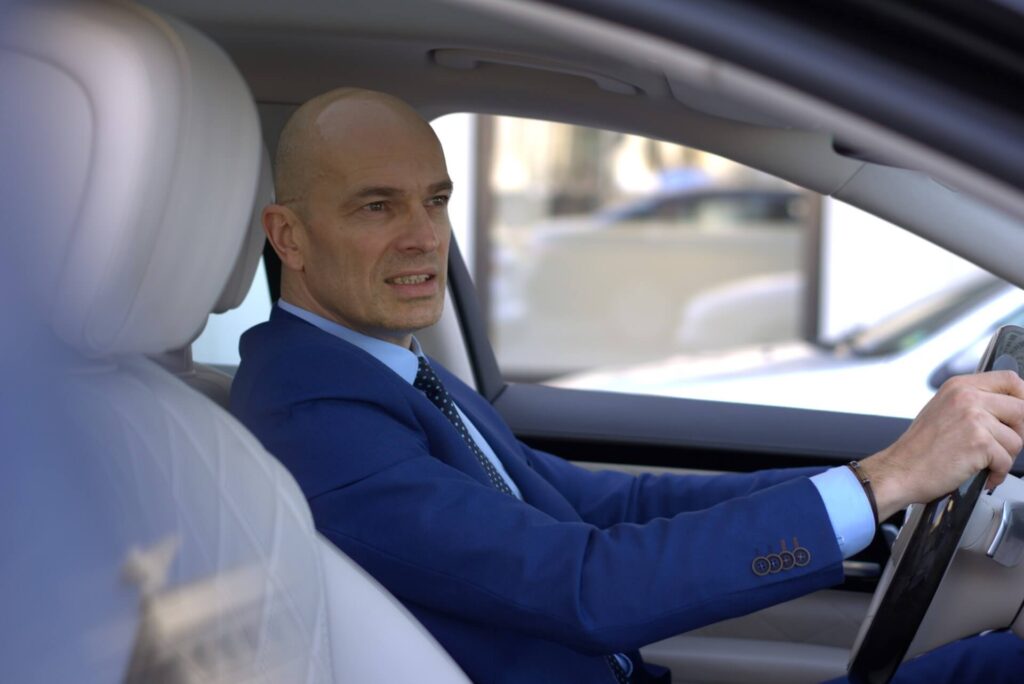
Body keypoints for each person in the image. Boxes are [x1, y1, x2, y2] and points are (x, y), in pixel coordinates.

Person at [230, 87, 1024, 683]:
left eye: (435, 201)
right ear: (288, 237)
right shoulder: (311, 412)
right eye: (377, 207)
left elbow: (611, 505)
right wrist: (884, 483)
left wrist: (867, 485)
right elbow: (584, 587)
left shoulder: (389, 367)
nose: (423, 236)